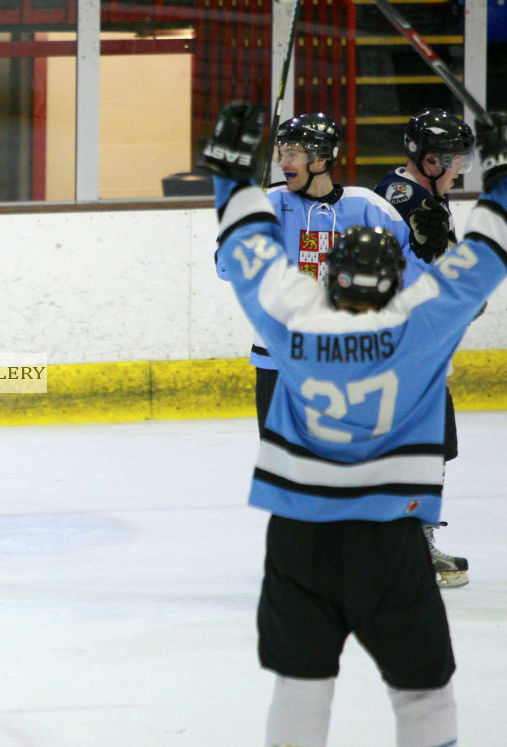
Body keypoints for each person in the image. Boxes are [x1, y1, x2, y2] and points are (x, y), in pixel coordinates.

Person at [200, 100, 507, 747]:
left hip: (299, 540)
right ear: (401, 279)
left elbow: (248, 254)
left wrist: (230, 182)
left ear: (328, 281)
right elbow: (481, 262)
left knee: (300, 684)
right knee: (423, 694)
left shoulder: (292, 326)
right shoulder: (424, 329)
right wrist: (502, 184)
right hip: (389, 541)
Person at [236, 112, 428, 431]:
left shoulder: (369, 207)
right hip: (279, 357)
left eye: (292, 153)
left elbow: (411, 278)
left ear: (322, 158)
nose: (283, 162)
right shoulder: (268, 204)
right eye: (280, 153)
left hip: (349, 357)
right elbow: (226, 268)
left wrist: (426, 253)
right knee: (284, 466)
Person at [374, 110, 478, 587]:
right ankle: (410, 548)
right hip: (404, 351)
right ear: (429, 158)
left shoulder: (422, 194)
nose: (461, 169)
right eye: (455, 159)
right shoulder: (406, 198)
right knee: (420, 449)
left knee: (431, 448)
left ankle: (406, 543)